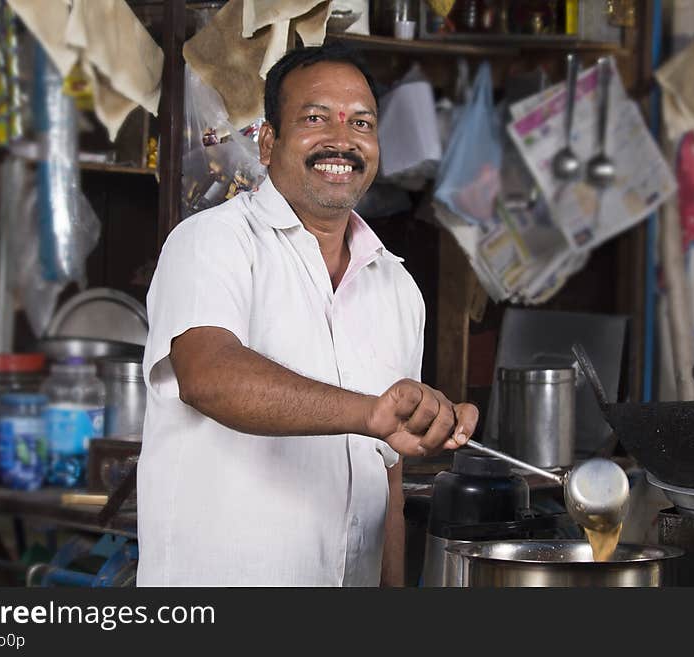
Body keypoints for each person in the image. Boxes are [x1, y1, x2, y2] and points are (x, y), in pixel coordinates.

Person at [137, 43, 479, 587]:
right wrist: (369, 412)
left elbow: (386, 477)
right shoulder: (212, 243)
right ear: (269, 142)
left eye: (361, 123)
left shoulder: (398, 287)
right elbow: (208, 376)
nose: (341, 140)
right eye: (316, 118)